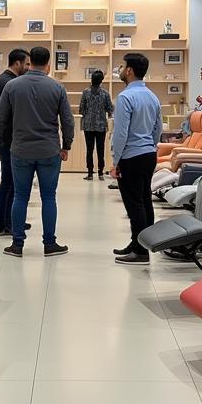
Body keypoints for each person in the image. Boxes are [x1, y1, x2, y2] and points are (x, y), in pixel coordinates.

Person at [0, 46, 74, 257]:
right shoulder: (57, 87)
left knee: (20, 196)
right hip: (49, 151)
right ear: (48, 64)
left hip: (20, 150)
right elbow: (67, 121)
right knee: (48, 197)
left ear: (30, 62)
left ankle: (17, 244)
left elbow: (0, 119)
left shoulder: (12, 86)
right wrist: (66, 146)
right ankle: (50, 244)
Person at [110, 53, 162, 265]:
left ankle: (140, 251)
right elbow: (157, 129)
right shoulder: (152, 96)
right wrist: (150, 145)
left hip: (131, 156)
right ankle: (139, 243)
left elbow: (120, 133)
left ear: (129, 70)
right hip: (149, 154)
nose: (120, 70)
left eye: (122, 66)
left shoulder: (125, 97)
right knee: (145, 201)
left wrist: (116, 160)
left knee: (134, 205)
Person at [0, 48, 29, 236]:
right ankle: (5, 225)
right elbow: (3, 116)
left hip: (3, 138)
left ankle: (9, 221)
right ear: (17, 63)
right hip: (9, 139)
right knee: (10, 183)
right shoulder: (10, 84)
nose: (28, 67)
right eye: (26, 63)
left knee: (9, 182)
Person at [79, 69, 113, 180]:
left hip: (88, 125)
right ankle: (101, 173)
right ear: (101, 80)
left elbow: (81, 109)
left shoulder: (85, 92)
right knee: (100, 149)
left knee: (89, 150)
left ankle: (89, 173)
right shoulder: (105, 93)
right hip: (101, 125)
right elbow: (110, 109)